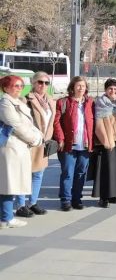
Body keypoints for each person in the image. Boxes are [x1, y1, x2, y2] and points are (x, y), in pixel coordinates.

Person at [0, 75, 43, 228]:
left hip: (19, 148)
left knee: (11, 184)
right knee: (7, 185)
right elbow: (16, 125)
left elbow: (28, 124)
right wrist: (34, 139)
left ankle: (6, 217)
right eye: (15, 85)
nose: (19, 88)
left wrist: (37, 135)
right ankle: (6, 218)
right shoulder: (6, 103)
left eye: (21, 85)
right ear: (5, 87)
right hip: (11, 148)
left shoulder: (18, 102)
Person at [15, 72, 55, 218]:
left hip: (43, 143)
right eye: (40, 82)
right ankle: (20, 205)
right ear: (33, 83)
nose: (42, 85)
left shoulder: (50, 101)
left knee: (38, 174)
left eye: (46, 83)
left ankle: (32, 203)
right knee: (24, 174)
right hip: (29, 143)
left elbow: (51, 122)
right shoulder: (26, 99)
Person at [53, 76, 94, 211]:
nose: (81, 88)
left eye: (83, 86)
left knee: (81, 173)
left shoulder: (90, 103)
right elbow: (57, 122)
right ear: (72, 87)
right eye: (78, 85)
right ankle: (66, 200)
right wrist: (61, 139)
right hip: (69, 144)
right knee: (67, 173)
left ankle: (77, 199)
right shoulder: (63, 102)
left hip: (85, 145)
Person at [91, 79, 116, 208]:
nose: (113, 91)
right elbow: (98, 125)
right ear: (106, 90)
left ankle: (113, 195)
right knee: (105, 171)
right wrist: (106, 142)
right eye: (110, 89)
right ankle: (104, 197)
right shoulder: (101, 104)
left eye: (115, 89)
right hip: (107, 142)